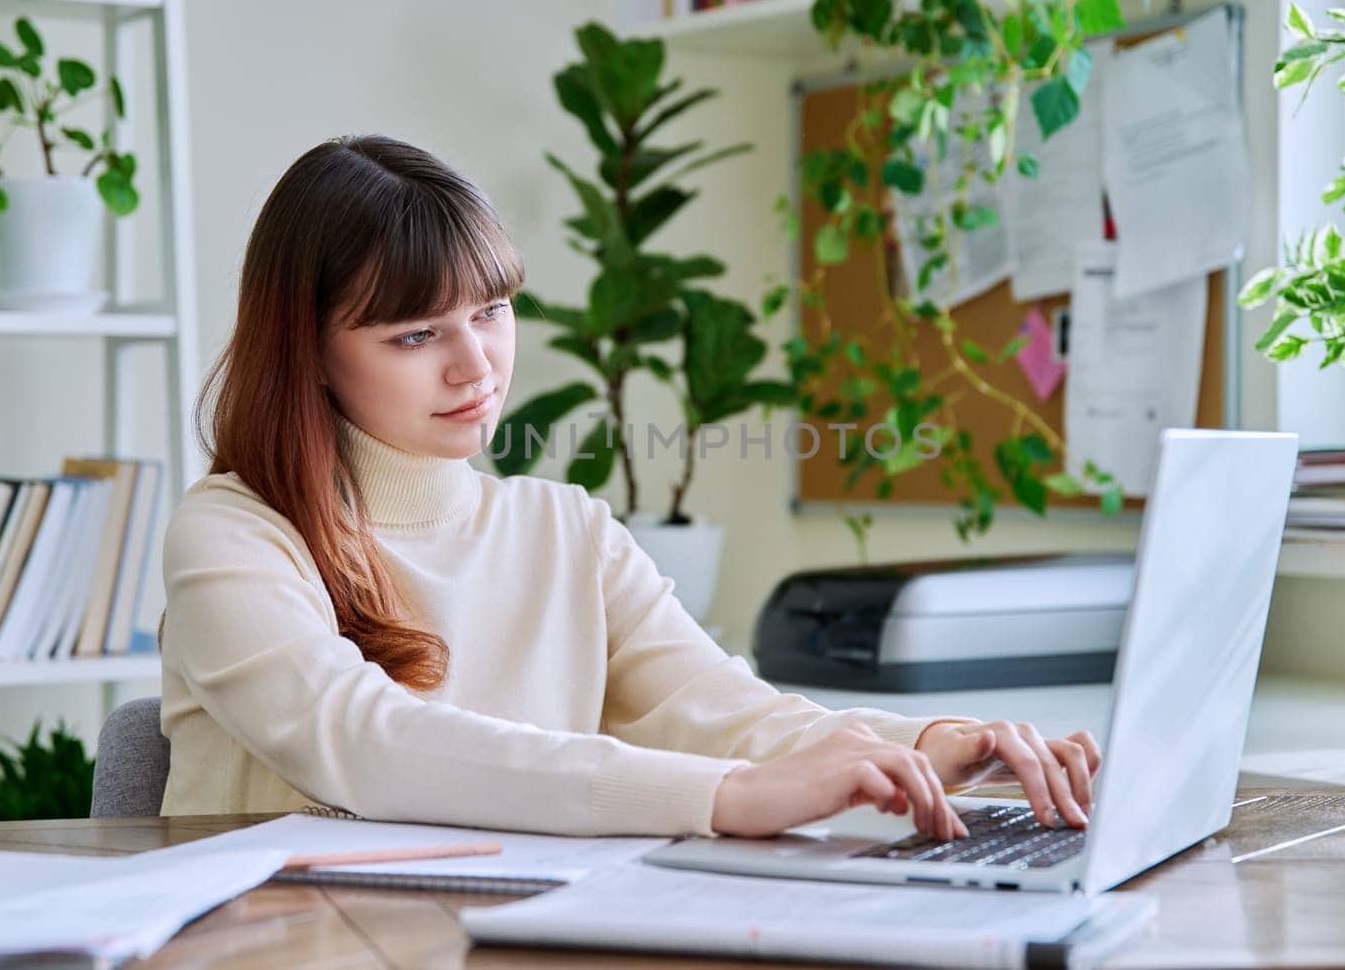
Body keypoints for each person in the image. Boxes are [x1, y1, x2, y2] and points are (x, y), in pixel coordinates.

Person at [157, 134, 1101, 841]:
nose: (475, 363)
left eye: (491, 310)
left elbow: (726, 708)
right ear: (310, 354)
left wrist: (934, 745)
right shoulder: (235, 535)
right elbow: (365, 741)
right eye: (415, 335)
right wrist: (722, 796)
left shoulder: (565, 528)